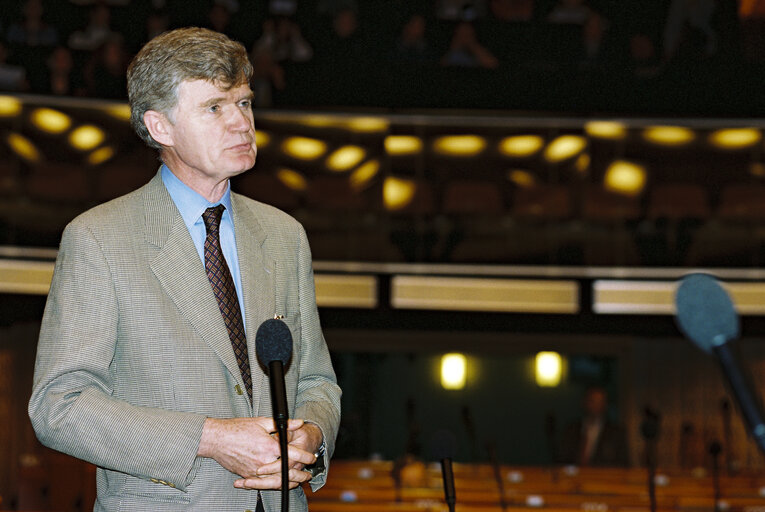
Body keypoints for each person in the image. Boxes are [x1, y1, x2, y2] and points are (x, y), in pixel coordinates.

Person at [28, 27, 341, 511]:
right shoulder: (99, 238)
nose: (241, 122)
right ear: (161, 128)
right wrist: (211, 438)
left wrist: (311, 437)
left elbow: (317, 381)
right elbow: (58, 407)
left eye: (244, 102)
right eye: (215, 108)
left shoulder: (284, 236)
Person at [558, 386, 629, 467]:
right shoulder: (571, 430)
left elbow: (623, 463)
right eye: (593, 401)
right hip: (574, 477)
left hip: (604, 477)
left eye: (600, 402)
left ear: (605, 405)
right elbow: (562, 460)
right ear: (584, 402)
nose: (596, 406)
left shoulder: (616, 432)